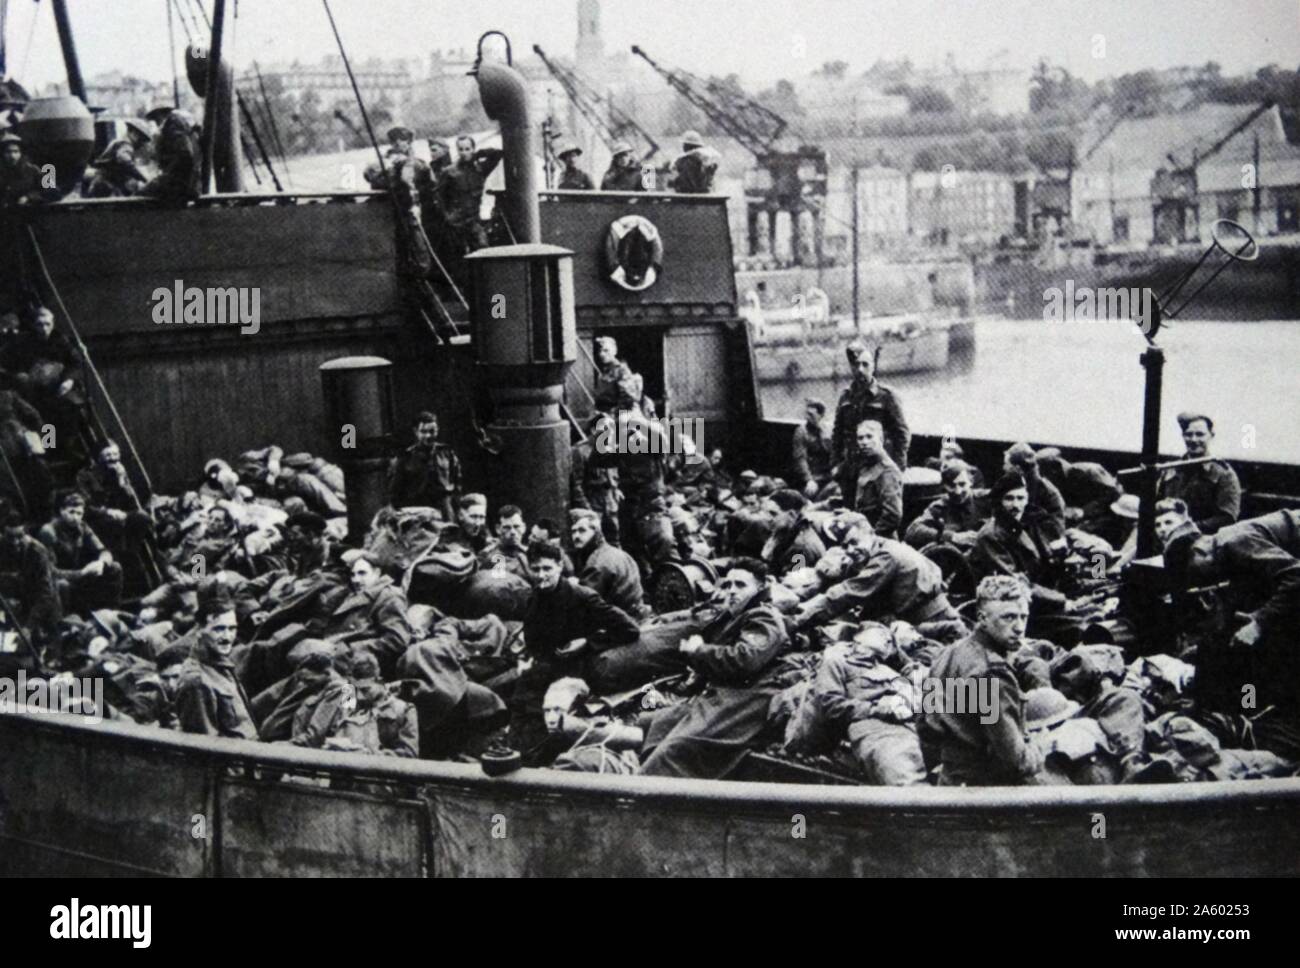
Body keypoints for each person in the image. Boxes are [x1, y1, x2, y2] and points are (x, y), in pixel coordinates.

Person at [639, 563, 790, 778]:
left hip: (748, 700)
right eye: (728, 584)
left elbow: (745, 659)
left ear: (761, 587)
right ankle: (646, 779)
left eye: (740, 585)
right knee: (658, 723)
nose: (732, 590)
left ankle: (650, 796)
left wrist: (699, 650)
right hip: (727, 693)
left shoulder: (765, 616)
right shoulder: (738, 614)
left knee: (678, 748)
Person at [509, 541, 641, 758]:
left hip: (575, 671)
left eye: (547, 569)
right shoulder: (535, 597)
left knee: (545, 721)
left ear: (560, 566)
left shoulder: (582, 597)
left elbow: (630, 630)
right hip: (543, 666)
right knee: (518, 703)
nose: (542, 575)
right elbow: (534, 637)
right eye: (536, 569)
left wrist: (588, 642)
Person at [1163, 508, 1300, 711]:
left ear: (1199, 552)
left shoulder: (1233, 542)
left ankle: (1257, 708)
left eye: (1196, 574)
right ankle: (1251, 704)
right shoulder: (1223, 553)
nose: (1202, 582)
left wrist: (1259, 623)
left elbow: (1296, 576)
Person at [918, 575, 1044, 785]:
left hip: (949, 783)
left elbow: (925, 727)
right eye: (1008, 617)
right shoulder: (990, 673)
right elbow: (1016, 761)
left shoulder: (947, 654)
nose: (1019, 627)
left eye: (1024, 617)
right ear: (983, 618)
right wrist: (1041, 747)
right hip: (987, 796)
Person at [968, 472, 1091, 644]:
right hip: (1017, 610)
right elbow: (1015, 585)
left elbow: (1049, 562)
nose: (1016, 505)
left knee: (1098, 610)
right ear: (999, 501)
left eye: (1020, 498)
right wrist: (1062, 601)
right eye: (1009, 498)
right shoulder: (991, 536)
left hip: (1044, 597)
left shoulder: (1032, 523)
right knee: (1083, 627)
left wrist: (1071, 570)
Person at [792, 514, 959, 631]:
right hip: (914, 616)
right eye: (844, 546)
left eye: (854, 542)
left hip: (933, 621)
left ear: (871, 533)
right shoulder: (876, 548)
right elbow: (840, 578)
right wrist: (800, 596)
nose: (850, 550)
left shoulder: (886, 556)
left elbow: (848, 593)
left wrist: (798, 622)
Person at [831, 340, 910, 505]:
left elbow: (902, 433)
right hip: (851, 467)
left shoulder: (887, 396)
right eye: (855, 365)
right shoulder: (845, 397)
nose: (860, 369)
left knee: (877, 510)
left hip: (878, 467)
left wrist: (897, 468)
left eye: (865, 364)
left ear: (873, 366)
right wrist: (836, 464)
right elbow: (837, 434)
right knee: (851, 510)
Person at [175, 597, 258, 740]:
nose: (227, 637)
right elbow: (205, 746)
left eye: (232, 629)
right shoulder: (197, 681)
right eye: (219, 629)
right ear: (200, 630)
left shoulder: (222, 665)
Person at [38, 491, 123, 614]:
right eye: (71, 512)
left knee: (115, 567)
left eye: (79, 513)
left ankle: (111, 614)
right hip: (61, 579)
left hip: (79, 576)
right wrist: (81, 573)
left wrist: (101, 563)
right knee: (62, 585)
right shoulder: (48, 532)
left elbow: (104, 551)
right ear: (62, 511)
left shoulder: (82, 527)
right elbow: (50, 571)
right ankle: (65, 623)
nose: (75, 517)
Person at [1157, 411, 1241, 536]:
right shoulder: (1171, 469)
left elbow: (1227, 518)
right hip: (1166, 538)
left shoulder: (1223, 474)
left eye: (1200, 434)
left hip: (1204, 543)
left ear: (1211, 436)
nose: (1194, 439)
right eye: (1188, 435)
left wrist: (1186, 529)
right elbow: (1157, 505)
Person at [0, 505, 62, 648]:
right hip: (11, 603)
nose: (15, 542)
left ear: (26, 533)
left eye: (19, 536)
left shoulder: (37, 552)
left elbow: (46, 593)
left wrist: (29, 627)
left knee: (35, 648)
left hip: (39, 604)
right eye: (10, 537)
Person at [387, 411, 461, 520]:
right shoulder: (404, 458)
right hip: (418, 514)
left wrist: (454, 508)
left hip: (445, 512)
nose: (428, 436)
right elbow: (394, 494)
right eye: (423, 431)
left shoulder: (447, 453)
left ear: (437, 431)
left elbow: (457, 482)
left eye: (432, 431)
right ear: (416, 432)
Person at [569, 508, 643, 614]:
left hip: (621, 621)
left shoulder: (596, 564)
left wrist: (573, 587)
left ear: (596, 532)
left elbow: (583, 604)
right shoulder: (619, 553)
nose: (576, 536)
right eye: (573, 531)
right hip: (635, 614)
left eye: (582, 530)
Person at [438, 135, 503, 255]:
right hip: (456, 222)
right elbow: (440, 197)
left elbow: (498, 154)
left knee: (483, 249)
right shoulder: (449, 172)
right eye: (460, 149)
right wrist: (447, 216)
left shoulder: (480, 169)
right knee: (459, 255)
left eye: (467, 149)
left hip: (473, 220)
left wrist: (480, 153)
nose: (464, 153)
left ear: (473, 149)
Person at [904, 460, 989, 551]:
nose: (958, 491)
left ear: (971, 482)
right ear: (944, 486)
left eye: (962, 484)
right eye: (951, 486)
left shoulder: (984, 499)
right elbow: (912, 531)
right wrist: (952, 536)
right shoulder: (940, 507)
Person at [1034, 447, 1122, 535]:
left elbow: (1115, 494)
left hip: (1108, 516)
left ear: (1055, 467)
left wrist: (1084, 511)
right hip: (1082, 519)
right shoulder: (1058, 479)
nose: (1045, 477)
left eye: (1046, 472)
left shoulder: (1089, 470)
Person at [569, 412, 622, 546]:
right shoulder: (580, 451)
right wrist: (587, 510)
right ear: (594, 430)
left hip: (610, 501)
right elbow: (577, 485)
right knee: (594, 541)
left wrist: (617, 491)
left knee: (616, 538)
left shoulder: (610, 448)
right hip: (593, 501)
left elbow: (615, 474)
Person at [852, 418, 903, 539]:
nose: (864, 442)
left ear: (881, 439)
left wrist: (871, 537)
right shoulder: (867, 465)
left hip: (881, 540)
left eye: (869, 437)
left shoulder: (888, 471)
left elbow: (893, 515)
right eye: (860, 438)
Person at [140, 107, 201, 204]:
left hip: (178, 184)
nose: (156, 124)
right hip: (187, 183)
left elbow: (185, 154)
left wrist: (166, 175)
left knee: (139, 195)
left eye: (156, 119)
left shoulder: (172, 125)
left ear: (160, 115)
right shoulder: (181, 126)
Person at [1003, 442, 1066, 529]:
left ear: (1018, 469)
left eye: (1007, 464)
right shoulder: (1024, 483)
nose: (1004, 467)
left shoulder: (1041, 490)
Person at [591, 336, 646, 414]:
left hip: (620, 413)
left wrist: (612, 412)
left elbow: (628, 398)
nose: (602, 354)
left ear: (615, 351)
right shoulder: (605, 371)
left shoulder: (621, 370)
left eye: (606, 350)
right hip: (604, 412)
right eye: (600, 351)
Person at [791, 399, 833, 498]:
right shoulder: (801, 432)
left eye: (811, 415)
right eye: (806, 414)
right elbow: (800, 459)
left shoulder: (830, 429)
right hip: (812, 476)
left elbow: (836, 453)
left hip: (829, 474)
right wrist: (809, 480)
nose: (807, 418)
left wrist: (825, 435)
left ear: (821, 415)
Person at [82, 138, 147, 198]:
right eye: (141, 139)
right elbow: (125, 161)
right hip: (106, 182)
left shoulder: (118, 141)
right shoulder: (126, 145)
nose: (141, 143)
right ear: (134, 134)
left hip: (103, 179)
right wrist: (143, 178)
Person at [0, 132, 51, 207]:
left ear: (21, 153)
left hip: (27, 214)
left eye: (16, 151)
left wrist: (29, 197)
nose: (12, 156)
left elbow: (51, 191)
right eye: (8, 152)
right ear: (2, 154)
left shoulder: (32, 170)